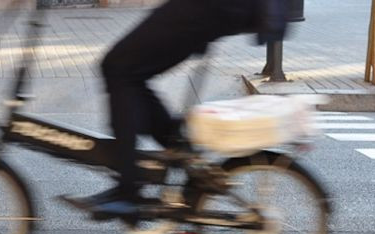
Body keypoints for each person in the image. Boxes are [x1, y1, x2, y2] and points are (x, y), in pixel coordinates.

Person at [64, 0, 288, 221]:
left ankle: (128, 190)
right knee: (127, 72)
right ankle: (179, 148)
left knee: (119, 68)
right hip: (214, 9)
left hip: (208, 8)